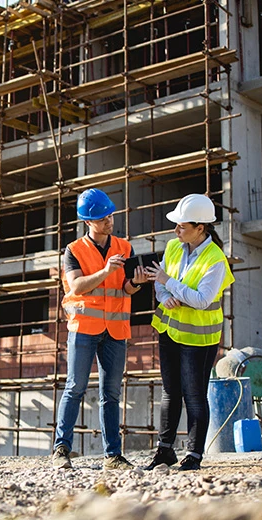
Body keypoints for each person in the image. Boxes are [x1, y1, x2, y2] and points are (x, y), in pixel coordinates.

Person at [52, 188, 149, 470]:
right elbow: (77, 286)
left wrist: (137, 282)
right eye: (103, 218)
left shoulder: (125, 247)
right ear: (88, 221)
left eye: (111, 215)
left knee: (111, 394)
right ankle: (61, 450)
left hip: (115, 330)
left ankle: (113, 456)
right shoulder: (74, 250)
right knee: (75, 387)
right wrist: (106, 270)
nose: (109, 221)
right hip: (84, 327)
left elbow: (126, 288)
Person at [144, 193, 234, 471]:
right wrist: (164, 295)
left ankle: (194, 455)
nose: (176, 230)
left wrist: (169, 282)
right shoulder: (174, 247)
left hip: (198, 338)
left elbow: (202, 299)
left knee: (194, 396)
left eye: (182, 226)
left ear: (200, 228)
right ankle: (165, 451)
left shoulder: (215, 259)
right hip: (170, 331)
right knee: (170, 393)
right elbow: (159, 281)